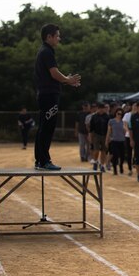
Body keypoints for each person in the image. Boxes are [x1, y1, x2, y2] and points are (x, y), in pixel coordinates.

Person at [33, 23, 81, 170]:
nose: (59, 39)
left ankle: (39, 160)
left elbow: (52, 76)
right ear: (49, 37)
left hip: (46, 94)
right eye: (57, 36)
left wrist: (66, 80)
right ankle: (43, 161)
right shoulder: (47, 52)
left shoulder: (45, 51)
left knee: (44, 127)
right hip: (49, 95)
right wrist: (67, 80)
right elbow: (54, 73)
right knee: (47, 128)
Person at [89, 103, 110, 172]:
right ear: (97, 109)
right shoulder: (94, 117)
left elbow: (109, 128)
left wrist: (109, 137)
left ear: (104, 109)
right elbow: (91, 128)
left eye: (102, 108)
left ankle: (102, 165)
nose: (101, 110)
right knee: (96, 150)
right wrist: (90, 137)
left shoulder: (107, 117)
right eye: (100, 108)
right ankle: (95, 162)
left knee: (104, 151)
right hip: (96, 135)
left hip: (105, 135)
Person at [106, 108, 127, 175]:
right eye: (118, 113)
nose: (119, 115)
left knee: (122, 156)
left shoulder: (123, 122)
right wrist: (107, 140)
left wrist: (124, 127)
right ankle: (115, 169)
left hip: (122, 140)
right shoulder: (111, 121)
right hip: (114, 141)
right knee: (115, 155)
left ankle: (121, 165)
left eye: (121, 114)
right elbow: (109, 131)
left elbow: (126, 131)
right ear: (115, 113)